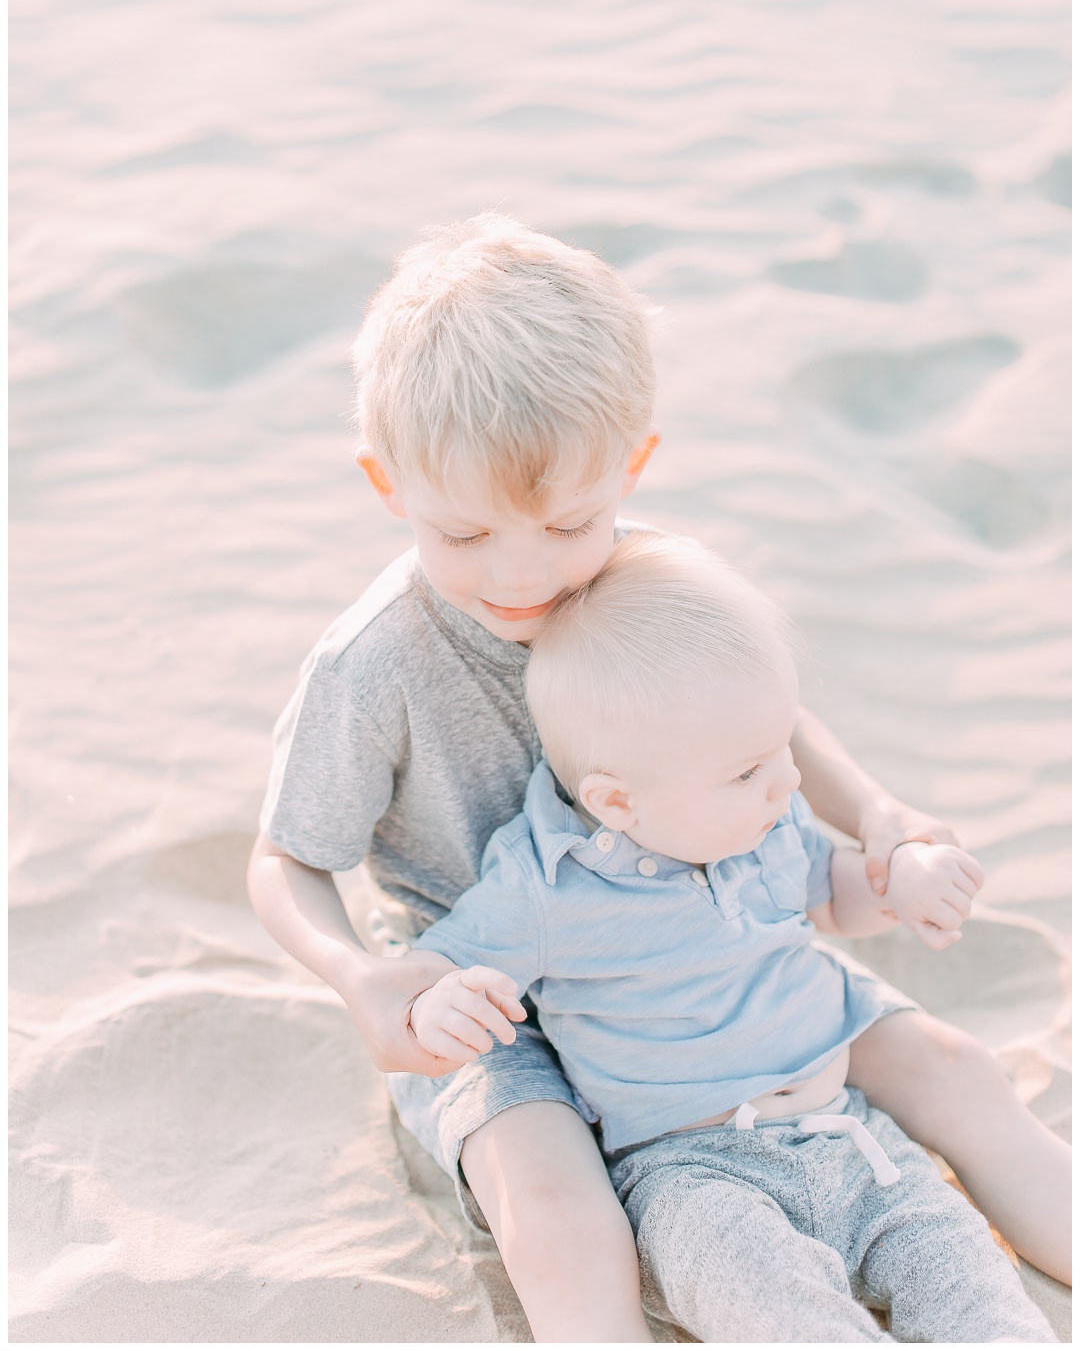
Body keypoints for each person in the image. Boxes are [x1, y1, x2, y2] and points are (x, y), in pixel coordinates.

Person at [247, 215, 1070, 1343]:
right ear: (388, 483)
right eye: (467, 533)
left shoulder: (642, 573)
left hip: (698, 939)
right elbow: (286, 856)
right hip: (484, 990)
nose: (524, 571)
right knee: (557, 1208)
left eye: (570, 520)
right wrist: (360, 980)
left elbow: (758, 709)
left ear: (630, 464)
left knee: (952, 1068)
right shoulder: (376, 661)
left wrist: (874, 813)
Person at [407, 531, 1059, 1343]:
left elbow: (834, 894)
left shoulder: (764, 822)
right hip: (691, 1175)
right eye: (748, 770)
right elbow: (435, 961)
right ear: (618, 803)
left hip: (851, 1134)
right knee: (772, 1305)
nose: (788, 783)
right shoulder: (548, 888)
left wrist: (901, 886)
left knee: (961, 1268)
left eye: (781, 748)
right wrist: (438, 999)